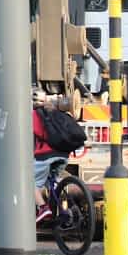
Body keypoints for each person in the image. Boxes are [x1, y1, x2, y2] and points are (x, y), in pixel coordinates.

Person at [32, 88, 73, 223]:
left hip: (45, 155)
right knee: (52, 183)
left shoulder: (33, 115)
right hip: (63, 154)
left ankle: (43, 208)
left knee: (29, 182)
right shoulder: (57, 113)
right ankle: (62, 210)